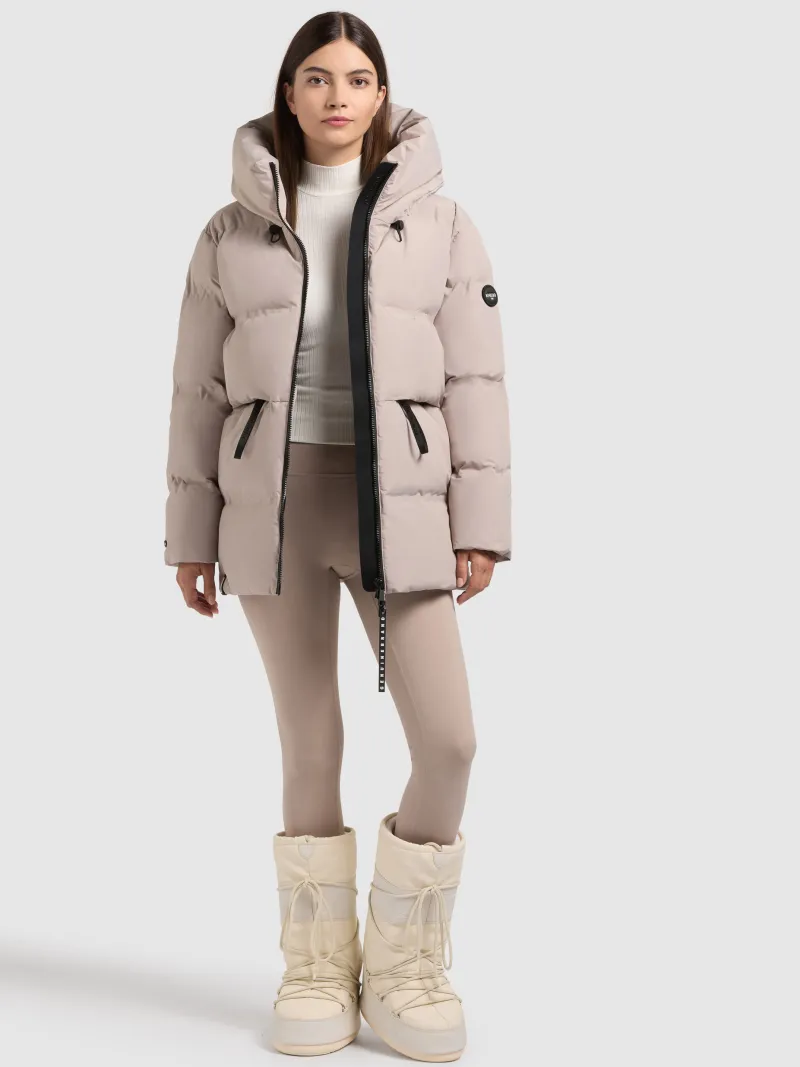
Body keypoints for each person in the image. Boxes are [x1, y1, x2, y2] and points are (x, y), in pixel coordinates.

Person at [163, 10, 511, 1062]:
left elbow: (475, 379)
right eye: (316, 77)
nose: (337, 96)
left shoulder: (439, 224)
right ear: (289, 91)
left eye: (356, 78)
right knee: (310, 742)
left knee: (448, 741)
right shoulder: (229, 232)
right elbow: (197, 389)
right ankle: (316, 966)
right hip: (270, 507)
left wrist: (479, 524)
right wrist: (190, 533)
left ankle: (405, 963)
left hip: (396, 508)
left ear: (382, 93)